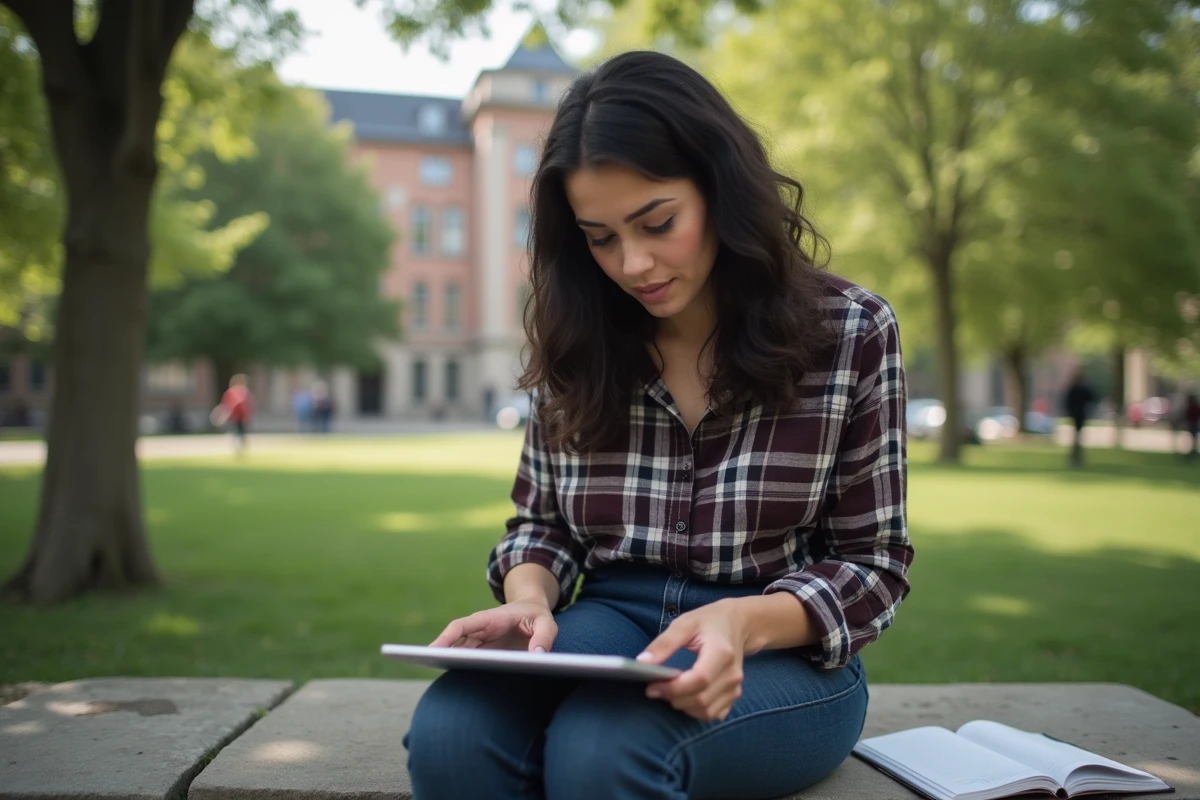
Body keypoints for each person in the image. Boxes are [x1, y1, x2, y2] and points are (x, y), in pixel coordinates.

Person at [402, 51, 913, 800]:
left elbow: (874, 565)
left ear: (719, 188)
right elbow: (540, 526)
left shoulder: (851, 330)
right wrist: (528, 598)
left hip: (782, 649)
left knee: (605, 750)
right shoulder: (578, 334)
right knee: (452, 733)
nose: (632, 262)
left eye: (657, 222)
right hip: (609, 617)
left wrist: (742, 622)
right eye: (600, 237)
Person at [212, 374, 254, 454]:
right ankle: (239, 448)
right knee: (238, 432)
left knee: (239, 432)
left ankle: (239, 448)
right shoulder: (239, 392)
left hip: (238, 416)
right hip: (236, 416)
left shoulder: (239, 392)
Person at [1063, 370, 1095, 467]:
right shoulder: (1080, 390)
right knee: (1077, 437)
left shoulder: (1074, 390)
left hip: (1077, 415)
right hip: (1079, 415)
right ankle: (1076, 457)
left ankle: (1075, 457)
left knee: (1076, 437)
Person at [1184, 391, 1200, 461]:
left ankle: (1193, 452)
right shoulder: (1193, 406)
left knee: (1194, 439)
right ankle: (1193, 451)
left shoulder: (1192, 407)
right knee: (1193, 439)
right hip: (1193, 424)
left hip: (1194, 424)